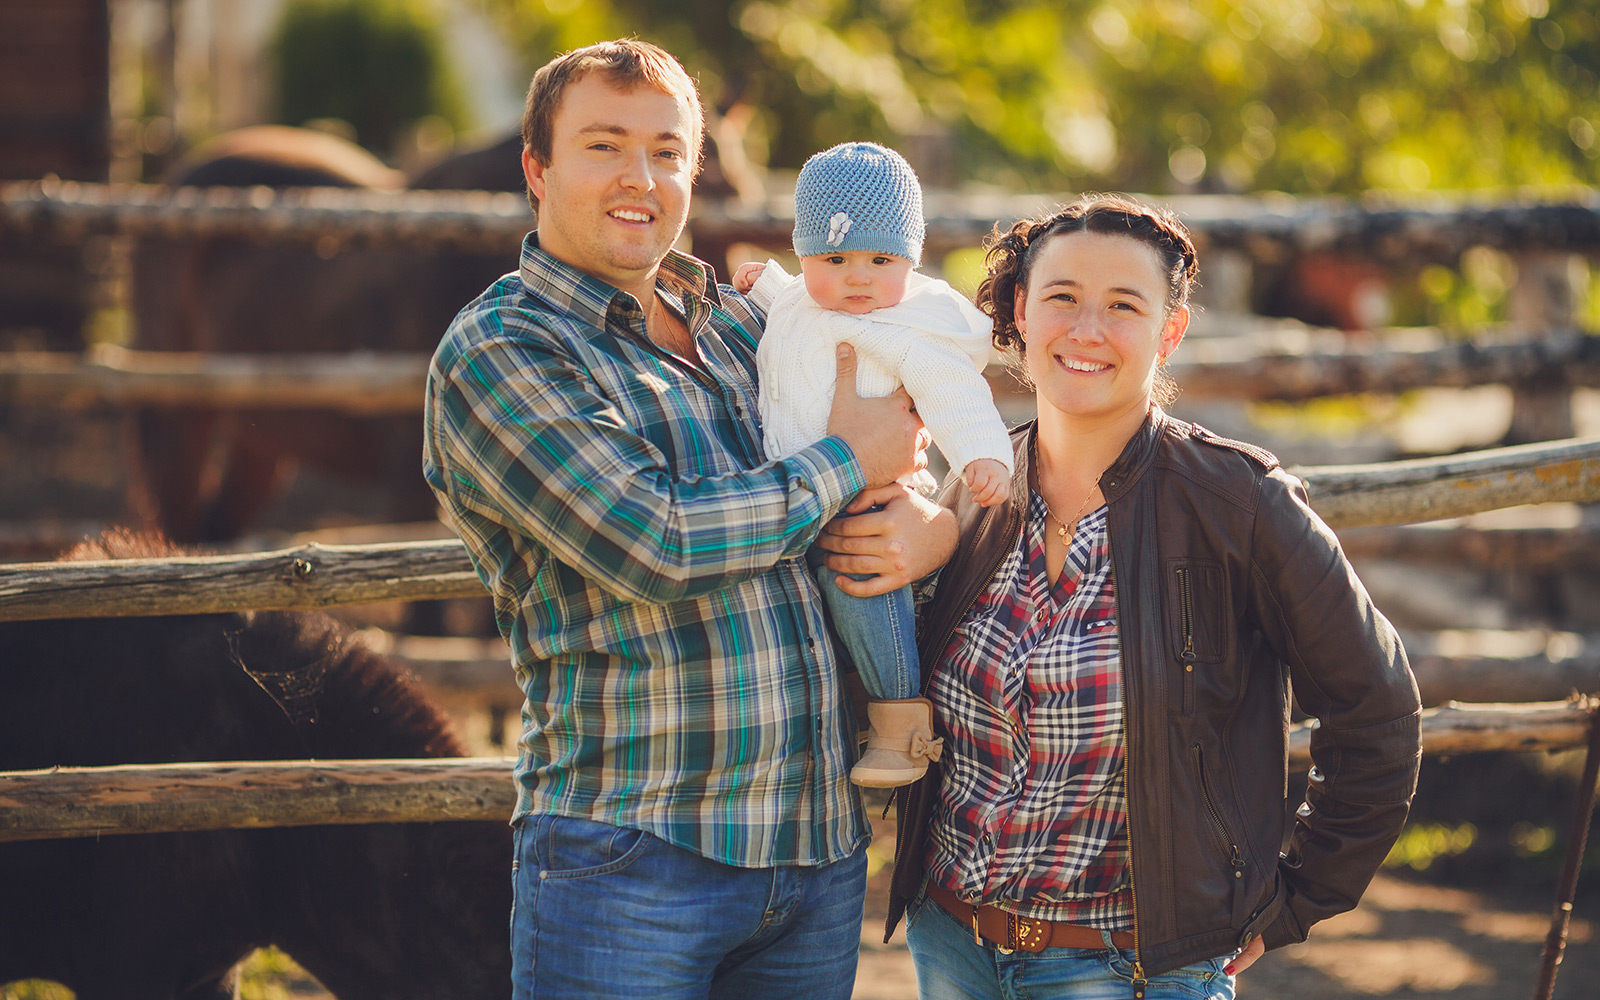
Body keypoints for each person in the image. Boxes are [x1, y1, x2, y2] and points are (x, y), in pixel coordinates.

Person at [421, 39, 954, 1000]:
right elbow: (655, 541)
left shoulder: (748, 323)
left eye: (668, 151)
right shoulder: (503, 349)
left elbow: (901, 427)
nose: (642, 177)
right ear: (537, 170)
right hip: (634, 853)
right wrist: (847, 463)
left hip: (814, 853)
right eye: (604, 146)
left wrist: (925, 522)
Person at [877, 195, 1423, 999]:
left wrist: (1295, 899)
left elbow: (1377, 709)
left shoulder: (1240, 506)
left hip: (1131, 967)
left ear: (1170, 330)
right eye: (1061, 297)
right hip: (950, 942)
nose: (1087, 329)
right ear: (1022, 312)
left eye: (1123, 306)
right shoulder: (974, 488)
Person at [732, 141, 1013, 789]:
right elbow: (797, 310)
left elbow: (956, 397)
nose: (858, 277)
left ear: (910, 262)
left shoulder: (909, 329)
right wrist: (767, 284)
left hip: (870, 500)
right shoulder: (811, 300)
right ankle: (851, 713)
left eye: (881, 260)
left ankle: (901, 723)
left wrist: (983, 456)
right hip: (800, 498)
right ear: (805, 256)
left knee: (860, 587)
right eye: (835, 259)